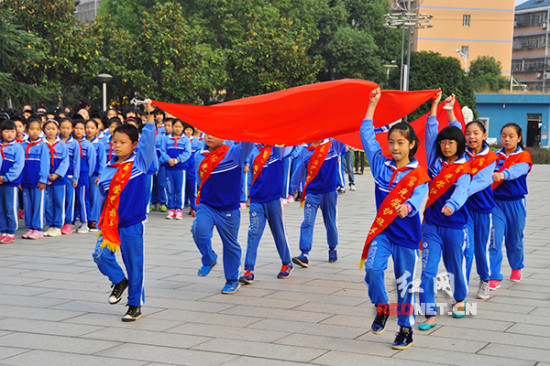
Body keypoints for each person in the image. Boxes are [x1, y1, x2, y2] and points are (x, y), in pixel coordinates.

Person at [360, 88, 430, 350]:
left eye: (400, 142)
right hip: (384, 232)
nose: (395, 147)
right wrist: (372, 104)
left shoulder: (418, 174)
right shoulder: (380, 164)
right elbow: (366, 135)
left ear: (411, 144)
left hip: (408, 237)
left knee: (404, 283)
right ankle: (381, 307)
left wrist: (408, 207)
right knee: (373, 269)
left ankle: (405, 329)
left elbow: (419, 197)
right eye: (391, 142)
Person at [92, 99, 157, 322]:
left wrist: (149, 115)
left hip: (131, 224)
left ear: (134, 144)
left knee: (134, 265)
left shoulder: (139, 164)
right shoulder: (108, 169)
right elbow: (102, 197)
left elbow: (149, 140)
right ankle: (120, 281)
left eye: (122, 142)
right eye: (114, 141)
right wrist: (95, 219)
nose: (117, 145)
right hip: (110, 224)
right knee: (100, 255)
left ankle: (134, 305)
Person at [419, 93, 472, 329]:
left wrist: (452, 205)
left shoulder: (464, 168)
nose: (446, 145)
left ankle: (459, 299)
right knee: (428, 270)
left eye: (451, 142)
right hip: (430, 224)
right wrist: (434, 107)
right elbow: (431, 133)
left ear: (459, 144)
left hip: (454, 225)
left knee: (454, 267)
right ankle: (429, 313)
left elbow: (461, 191)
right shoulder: (434, 161)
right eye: (443, 142)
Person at [191, 134, 254, 294]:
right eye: (207, 133)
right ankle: (209, 259)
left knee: (230, 245)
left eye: (215, 133)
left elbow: (249, 142)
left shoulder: (235, 153)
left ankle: (232, 280)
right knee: (199, 231)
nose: (210, 137)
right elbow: (199, 179)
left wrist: (245, 123)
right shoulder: (199, 155)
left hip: (228, 208)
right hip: (207, 205)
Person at [239, 144, 294, 285]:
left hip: (274, 199)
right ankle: (248, 270)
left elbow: (285, 143)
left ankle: (287, 263)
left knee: (279, 232)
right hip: (257, 200)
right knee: (253, 233)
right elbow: (250, 174)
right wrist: (248, 195)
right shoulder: (253, 150)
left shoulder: (277, 150)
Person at [290, 136, 345, 268]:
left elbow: (344, 135)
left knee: (330, 222)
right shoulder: (305, 151)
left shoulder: (333, 146)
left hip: (329, 193)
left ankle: (332, 248)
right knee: (307, 221)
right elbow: (299, 171)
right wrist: (293, 188)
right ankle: (304, 254)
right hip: (312, 193)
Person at [489, 123, 532, 290]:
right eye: (504, 136)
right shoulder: (494, 156)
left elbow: (517, 171)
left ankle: (516, 267)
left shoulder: (524, 156)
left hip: (516, 203)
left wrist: (502, 174)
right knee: (495, 240)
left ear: (519, 138)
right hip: (495, 203)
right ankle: (494, 275)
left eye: (511, 136)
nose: (507, 139)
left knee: (514, 240)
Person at [459, 116, 498, 300]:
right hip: (464, 210)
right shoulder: (460, 154)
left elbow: (481, 182)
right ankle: (461, 287)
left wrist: (458, 194)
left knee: (481, 249)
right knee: (465, 247)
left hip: (483, 210)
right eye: (468, 133)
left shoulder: (490, 157)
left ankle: (484, 280)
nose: (471, 137)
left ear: (484, 135)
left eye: (475, 133)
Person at [21, 118, 49, 239]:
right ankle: (30, 227)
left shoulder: (43, 145)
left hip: (38, 182)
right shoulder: (22, 145)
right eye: (32, 129)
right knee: (28, 205)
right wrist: (19, 180)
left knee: (38, 204)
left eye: (37, 129)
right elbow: (20, 163)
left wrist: (43, 179)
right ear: (27, 130)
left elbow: (45, 163)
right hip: (26, 180)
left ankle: (38, 228)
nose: (34, 132)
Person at [43, 119, 70, 237]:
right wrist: (45, 175)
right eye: (48, 129)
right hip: (46, 178)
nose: (50, 131)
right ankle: (50, 225)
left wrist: (57, 174)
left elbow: (65, 161)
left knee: (59, 201)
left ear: (57, 130)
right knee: (48, 202)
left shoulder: (62, 145)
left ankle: (58, 225)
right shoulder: (42, 144)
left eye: (53, 129)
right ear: (44, 130)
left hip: (59, 179)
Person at [160, 119, 191, 220]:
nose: (177, 129)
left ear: (182, 128)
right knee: (170, 189)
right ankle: (171, 208)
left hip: (180, 168)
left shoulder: (185, 139)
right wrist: (168, 159)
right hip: (169, 168)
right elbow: (162, 151)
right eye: (176, 126)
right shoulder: (166, 139)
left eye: (179, 127)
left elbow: (187, 153)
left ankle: (179, 209)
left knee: (180, 189)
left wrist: (177, 160)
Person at [0, 120, 25, 244]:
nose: (9, 134)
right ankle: (3, 230)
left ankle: (11, 231)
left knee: (10, 207)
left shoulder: (17, 147)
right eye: (6, 131)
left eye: (12, 131)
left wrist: (6, 177)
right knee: (1, 207)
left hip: (11, 183)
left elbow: (18, 166)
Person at [73, 119, 97, 233]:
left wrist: (88, 175)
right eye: (76, 128)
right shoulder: (71, 143)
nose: (78, 131)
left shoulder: (87, 145)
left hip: (83, 175)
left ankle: (85, 222)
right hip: (70, 174)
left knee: (83, 198)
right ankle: (71, 221)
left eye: (81, 129)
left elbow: (92, 163)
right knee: (72, 199)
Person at [60, 118, 81, 235]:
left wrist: (75, 177)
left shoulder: (74, 143)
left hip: (69, 175)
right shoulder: (55, 142)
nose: (65, 130)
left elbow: (76, 161)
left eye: (68, 128)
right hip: (57, 176)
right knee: (58, 200)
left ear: (71, 129)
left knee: (69, 199)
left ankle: (69, 222)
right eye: (63, 127)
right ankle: (58, 221)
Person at [86, 119, 106, 231]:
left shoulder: (99, 144)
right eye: (87, 127)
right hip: (83, 174)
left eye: (92, 128)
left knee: (94, 197)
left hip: (95, 175)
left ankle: (93, 220)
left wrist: (100, 175)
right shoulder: (82, 142)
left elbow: (102, 161)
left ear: (97, 130)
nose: (89, 130)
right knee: (85, 197)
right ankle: (85, 218)